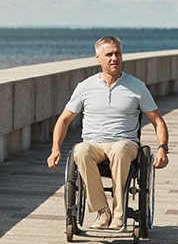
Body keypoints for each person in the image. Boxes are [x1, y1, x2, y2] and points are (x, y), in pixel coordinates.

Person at [47, 36, 169, 230]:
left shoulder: (137, 87)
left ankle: (119, 214)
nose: (114, 58)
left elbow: (158, 121)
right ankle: (103, 212)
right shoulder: (85, 87)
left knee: (120, 149)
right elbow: (64, 119)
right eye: (109, 54)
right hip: (93, 144)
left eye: (118, 53)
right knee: (80, 150)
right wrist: (55, 149)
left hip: (125, 143)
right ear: (98, 58)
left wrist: (163, 148)